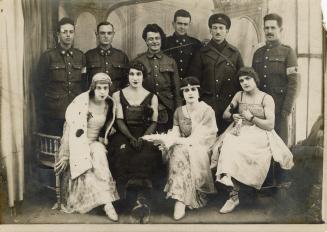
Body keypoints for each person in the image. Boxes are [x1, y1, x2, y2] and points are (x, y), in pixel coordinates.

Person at [212, 67, 294, 214]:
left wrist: (252, 118)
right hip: (240, 129)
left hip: (260, 132)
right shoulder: (239, 95)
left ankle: (244, 190)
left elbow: (269, 125)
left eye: (248, 79)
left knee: (248, 150)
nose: (244, 82)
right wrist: (232, 116)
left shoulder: (266, 98)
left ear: (255, 80)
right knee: (228, 145)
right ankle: (233, 195)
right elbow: (225, 114)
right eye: (241, 80)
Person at [143, 77, 217, 220]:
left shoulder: (207, 110)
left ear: (198, 92)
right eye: (186, 90)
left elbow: (206, 136)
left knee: (180, 149)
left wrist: (179, 141)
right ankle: (180, 198)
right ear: (182, 94)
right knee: (176, 149)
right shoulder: (179, 111)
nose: (190, 93)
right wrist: (168, 140)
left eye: (193, 89)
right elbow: (176, 132)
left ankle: (181, 200)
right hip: (183, 145)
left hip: (201, 146)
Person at [55, 73, 119, 221]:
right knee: (90, 164)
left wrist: (106, 135)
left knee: (98, 151)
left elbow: (108, 124)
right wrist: (65, 155)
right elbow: (70, 128)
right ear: (92, 88)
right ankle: (106, 203)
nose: (102, 92)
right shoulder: (82, 103)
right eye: (99, 88)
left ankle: (108, 204)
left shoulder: (109, 105)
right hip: (78, 146)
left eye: (105, 88)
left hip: (94, 144)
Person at [108, 62, 162, 223]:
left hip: (146, 134)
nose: (135, 78)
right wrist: (131, 138)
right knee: (124, 153)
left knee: (149, 153)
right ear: (127, 76)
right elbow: (119, 120)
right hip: (124, 133)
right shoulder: (118, 95)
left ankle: (142, 199)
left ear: (143, 76)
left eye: (138, 74)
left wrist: (143, 138)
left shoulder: (152, 96)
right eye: (132, 74)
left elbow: (153, 122)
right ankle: (129, 201)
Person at [188, 13, 244, 135]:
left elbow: (243, 81)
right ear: (210, 30)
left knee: (227, 141)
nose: (218, 31)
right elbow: (193, 81)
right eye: (215, 28)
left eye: (221, 28)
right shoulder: (201, 53)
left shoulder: (234, 53)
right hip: (208, 105)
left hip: (229, 106)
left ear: (227, 30)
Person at [252, 13, 300, 145]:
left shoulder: (288, 52)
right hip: (260, 109)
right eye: (266, 28)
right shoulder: (258, 53)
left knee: (279, 146)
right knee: (260, 146)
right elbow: (253, 83)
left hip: (279, 109)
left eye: (273, 28)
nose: (269, 31)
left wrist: (286, 110)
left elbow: (294, 84)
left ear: (280, 30)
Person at [35, 17, 87, 136]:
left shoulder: (81, 57)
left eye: (71, 32)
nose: (68, 35)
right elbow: (39, 86)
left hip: (75, 111)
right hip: (54, 112)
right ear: (58, 34)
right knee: (55, 145)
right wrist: (45, 109)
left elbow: (84, 84)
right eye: (64, 32)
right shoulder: (48, 57)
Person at [133, 24, 182, 133]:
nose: (154, 42)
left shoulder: (170, 61)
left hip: (168, 108)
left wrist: (178, 111)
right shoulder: (138, 61)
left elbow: (176, 89)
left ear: (161, 39)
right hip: (146, 108)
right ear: (146, 41)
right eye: (150, 39)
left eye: (157, 38)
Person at [85, 21, 129, 92]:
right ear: (97, 35)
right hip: (94, 99)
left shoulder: (122, 56)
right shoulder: (88, 56)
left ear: (113, 34)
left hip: (116, 99)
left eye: (109, 33)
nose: (106, 36)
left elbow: (127, 82)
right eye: (102, 33)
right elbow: (84, 83)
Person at [163, 9, 202, 80]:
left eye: (185, 24)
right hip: (170, 85)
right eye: (179, 23)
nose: (182, 27)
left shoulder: (196, 44)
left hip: (189, 86)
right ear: (173, 24)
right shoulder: (164, 43)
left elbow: (199, 68)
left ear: (189, 25)